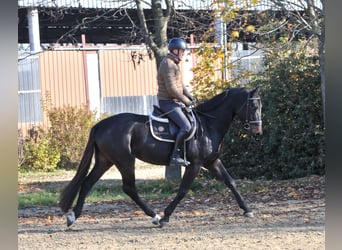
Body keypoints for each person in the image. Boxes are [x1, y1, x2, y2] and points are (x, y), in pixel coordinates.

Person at [157, 37, 196, 167]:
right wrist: (186, 101)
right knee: (186, 126)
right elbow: (172, 89)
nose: (184, 53)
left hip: (173, 101)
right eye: (182, 51)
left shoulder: (174, 64)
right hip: (167, 102)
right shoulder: (168, 64)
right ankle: (175, 155)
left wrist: (189, 96)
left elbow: (180, 85)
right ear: (175, 50)